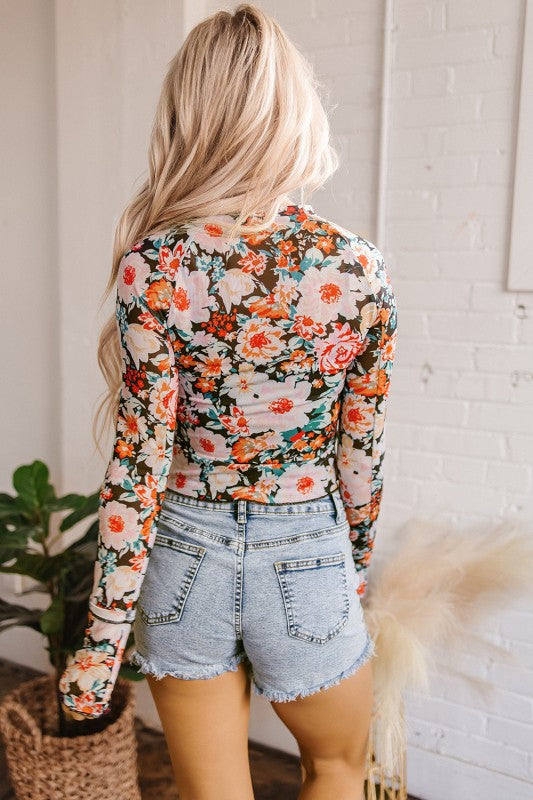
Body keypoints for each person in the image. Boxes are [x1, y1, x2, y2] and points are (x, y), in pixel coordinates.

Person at [58, 4, 397, 799]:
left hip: (185, 554)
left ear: (188, 114)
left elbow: (137, 466)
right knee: (337, 768)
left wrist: (102, 641)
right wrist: (350, 567)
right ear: (293, 111)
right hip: (307, 546)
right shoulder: (356, 268)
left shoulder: (153, 264)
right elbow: (361, 452)